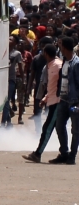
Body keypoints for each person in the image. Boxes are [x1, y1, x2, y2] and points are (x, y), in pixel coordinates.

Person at [24, 43, 63, 163]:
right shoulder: (50, 66)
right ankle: (65, 152)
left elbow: (61, 86)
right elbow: (52, 87)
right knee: (58, 129)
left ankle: (38, 153)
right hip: (52, 100)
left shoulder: (58, 66)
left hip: (57, 102)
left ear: (45, 53)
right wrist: (45, 98)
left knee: (47, 128)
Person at [51, 36, 79, 164]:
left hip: (74, 101)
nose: (59, 48)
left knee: (75, 130)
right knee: (59, 125)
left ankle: (72, 156)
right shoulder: (64, 61)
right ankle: (64, 152)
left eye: (60, 46)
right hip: (63, 100)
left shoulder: (77, 63)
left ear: (64, 48)